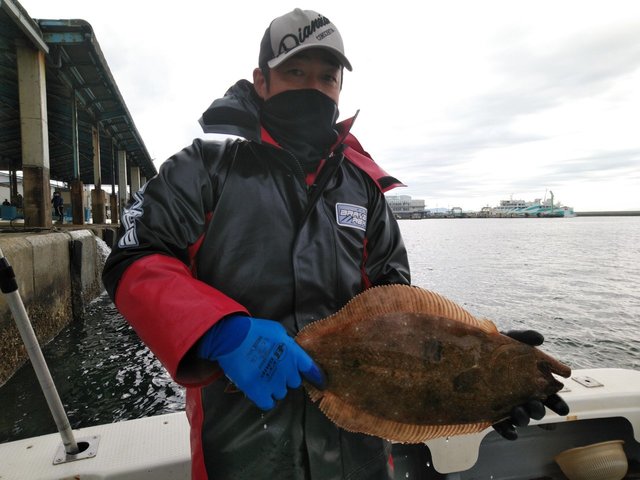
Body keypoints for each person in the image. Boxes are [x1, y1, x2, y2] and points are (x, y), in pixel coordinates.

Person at [103, 8, 567, 480]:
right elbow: (136, 258)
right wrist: (218, 331)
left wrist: (486, 358)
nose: (313, 88)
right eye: (296, 72)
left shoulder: (362, 188)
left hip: (357, 451)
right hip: (241, 443)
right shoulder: (202, 168)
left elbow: (396, 302)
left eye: (327, 77)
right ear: (261, 81)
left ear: (340, 88)